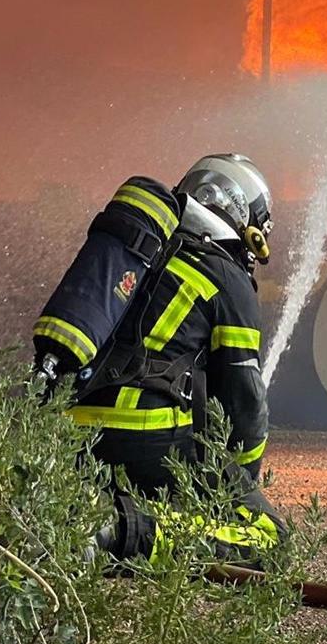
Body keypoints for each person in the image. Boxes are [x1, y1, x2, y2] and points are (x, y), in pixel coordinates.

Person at [36, 154, 283, 563]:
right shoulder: (228, 277)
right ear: (245, 220)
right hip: (148, 444)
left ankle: (84, 514)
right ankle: (118, 534)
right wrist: (240, 483)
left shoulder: (139, 253)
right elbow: (245, 402)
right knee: (269, 537)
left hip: (73, 441)